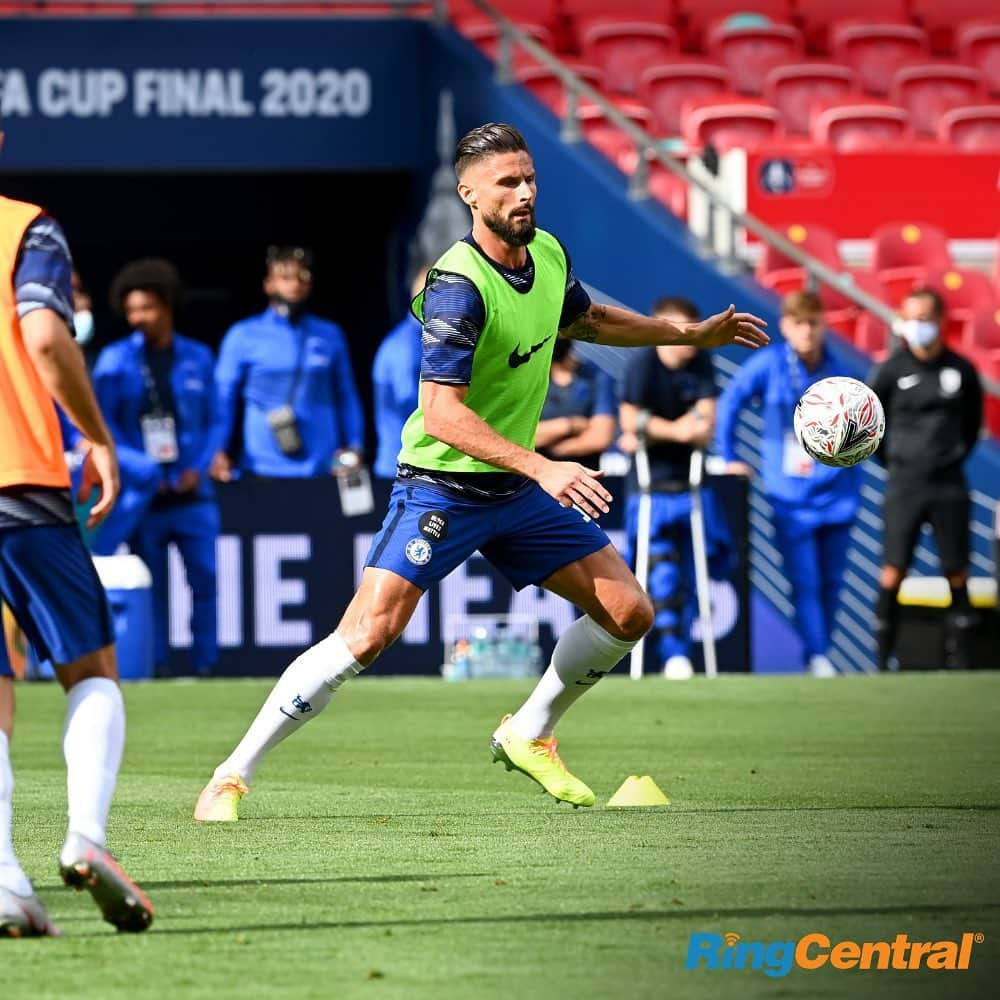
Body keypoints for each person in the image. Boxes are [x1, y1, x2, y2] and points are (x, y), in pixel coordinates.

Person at [193, 122, 767, 823]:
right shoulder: (457, 288)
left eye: (530, 179)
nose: (525, 193)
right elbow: (441, 415)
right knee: (367, 635)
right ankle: (230, 775)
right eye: (508, 183)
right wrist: (543, 466)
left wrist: (684, 333)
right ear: (469, 193)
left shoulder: (547, 254)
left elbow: (588, 320)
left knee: (628, 612)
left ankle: (530, 731)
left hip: (516, 489)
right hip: (442, 485)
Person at [0, 150, 152, 934]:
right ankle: (87, 839)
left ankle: (2, 880)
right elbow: (48, 339)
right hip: (20, 481)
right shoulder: (26, 228)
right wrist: (96, 437)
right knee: (91, 670)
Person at [716, 290, 862, 677]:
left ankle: (819, 653)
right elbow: (730, 402)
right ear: (785, 326)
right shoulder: (769, 364)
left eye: (814, 322)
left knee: (832, 581)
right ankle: (818, 655)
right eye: (799, 323)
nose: (808, 331)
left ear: (824, 324)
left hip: (839, 493)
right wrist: (728, 457)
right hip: (790, 497)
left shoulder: (841, 370)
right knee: (806, 580)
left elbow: (865, 424)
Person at [92, 259, 219, 678]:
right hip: (146, 495)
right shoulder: (114, 361)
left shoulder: (198, 357)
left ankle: (206, 664)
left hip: (192, 495)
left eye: (146, 308)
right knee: (153, 584)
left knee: (204, 579)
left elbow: (217, 420)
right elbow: (103, 425)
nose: (138, 318)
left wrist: (198, 468)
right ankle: (158, 663)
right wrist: (140, 466)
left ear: (166, 307)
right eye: (131, 310)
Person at [868, 287, 983, 671]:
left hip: (949, 483)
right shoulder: (891, 370)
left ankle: (964, 661)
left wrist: (946, 458)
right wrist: (899, 462)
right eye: (911, 318)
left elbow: (971, 426)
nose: (917, 327)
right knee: (893, 568)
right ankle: (881, 662)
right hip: (905, 484)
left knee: (956, 568)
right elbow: (873, 423)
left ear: (940, 321)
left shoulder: (961, 370)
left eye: (924, 319)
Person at [617, 296, 730, 680]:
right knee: (660, 573)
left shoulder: (701, 362)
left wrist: (652, 431)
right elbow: (629, 420)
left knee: (703, 569)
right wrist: (678, 430)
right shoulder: (642, 365)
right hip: (649, 490)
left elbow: (706, 421)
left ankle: (684, 646)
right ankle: (672, 654)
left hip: (694, 487)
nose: (685, 340)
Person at [211, 245, 365, 480]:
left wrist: (355, 445)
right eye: (285, 277)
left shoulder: (329, 334)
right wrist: (216, 449)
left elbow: (346, 394)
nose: (294, 284)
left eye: (301, 277)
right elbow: (223, 397)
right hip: (262, 467)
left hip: (322, 467)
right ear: (268, 284)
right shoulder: (243, 335)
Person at [372, 266, 432, 480]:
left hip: (414, 466)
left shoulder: (429, 339)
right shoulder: (405, 346)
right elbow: (411, 406)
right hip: (402, 469)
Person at [535, 338, 617, 470]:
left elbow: (600, 437)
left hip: (582, 477)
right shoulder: (529, 378)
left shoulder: (596, 376)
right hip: (533, 479)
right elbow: (514, 437)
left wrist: (555, 450)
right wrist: (568, 425)